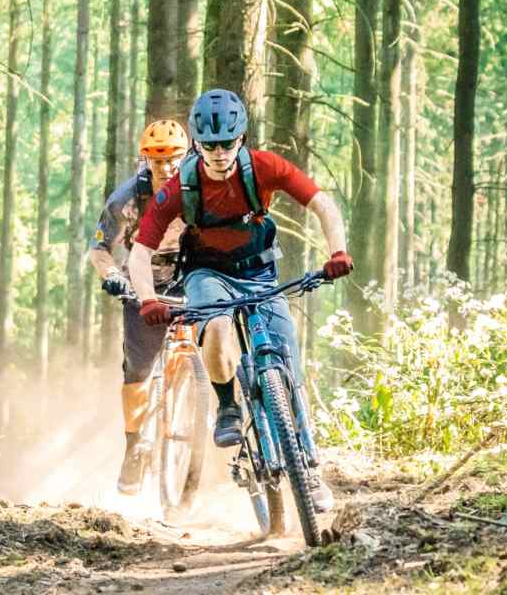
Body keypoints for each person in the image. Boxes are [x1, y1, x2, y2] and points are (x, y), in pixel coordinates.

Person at [127, 89, 353, 513]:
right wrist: (146, 301)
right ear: (195, 143)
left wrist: (337, 251)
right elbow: (140, 252)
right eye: (208, 144)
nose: (218, 153)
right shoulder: (181, 185)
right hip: (206, 273)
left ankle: (309, 468)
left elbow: (322, 204)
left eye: (227, 143)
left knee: (288, 364)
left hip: (260, 272)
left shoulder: (265, 167)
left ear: (241, 138)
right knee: (215, 327)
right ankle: (229, 407)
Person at [88, 119, 189, 495]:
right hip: (142, 283)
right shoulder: (126, 199)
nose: (166, 168)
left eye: (173, 159)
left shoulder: (197, 189)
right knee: (139, 369)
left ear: (186, 156)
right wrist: (112, 275)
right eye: (157, 160)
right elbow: (99, 248)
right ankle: (134, 446)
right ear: (144, 159)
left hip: (189, 275)